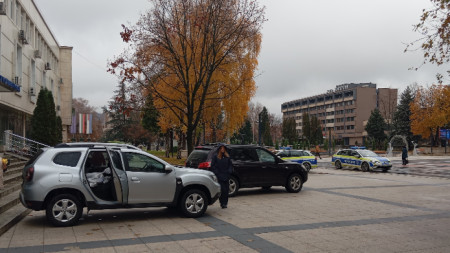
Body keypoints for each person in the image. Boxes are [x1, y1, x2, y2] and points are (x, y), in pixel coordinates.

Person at [211, 144, 233, 209]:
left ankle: (225, 203)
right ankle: (222, 203)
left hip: (226, 175)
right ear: (219, 149)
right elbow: (213, 166)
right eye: (221, 148)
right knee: (222, 190)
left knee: (226, 190)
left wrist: (229, 171)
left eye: (223, 148)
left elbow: (230, 165)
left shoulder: (227, 157)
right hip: (220, 176)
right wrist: (217, 173)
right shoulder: (216, 157)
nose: (222, 150)